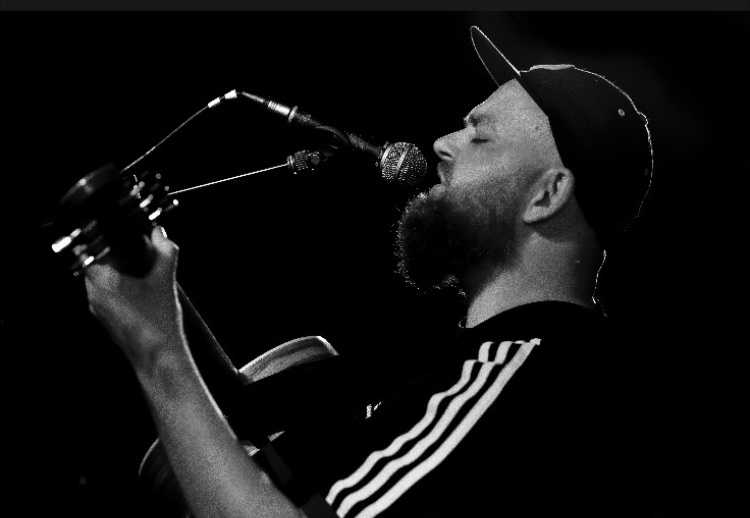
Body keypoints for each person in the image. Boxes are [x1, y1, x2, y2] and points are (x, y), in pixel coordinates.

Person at [85, 26, 656, 517]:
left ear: (547, 195)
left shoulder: (526, 371)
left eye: (480, 135)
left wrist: (158, 351)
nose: (442, 144)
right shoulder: (466, 367)